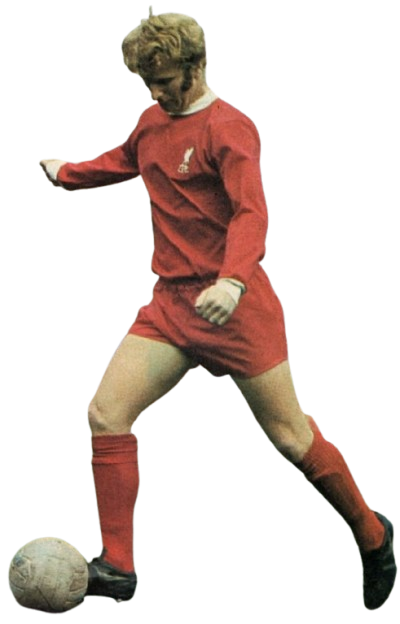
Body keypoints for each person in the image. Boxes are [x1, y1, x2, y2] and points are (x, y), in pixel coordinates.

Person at [38, 9, 397, 611]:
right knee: (105, 414)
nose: (155, 94)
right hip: (171, 306)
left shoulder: (231, 129)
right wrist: (67, 173)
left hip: (237, 309)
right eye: (146, 83)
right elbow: (125, 160)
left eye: (164, 82)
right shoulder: (152, 120)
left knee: (291, 439)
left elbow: (252, 212)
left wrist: (232, 282)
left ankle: (373, 535)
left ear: (199, 65)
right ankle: (119, 565)